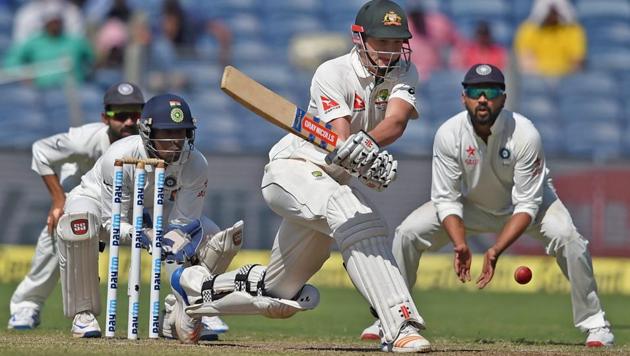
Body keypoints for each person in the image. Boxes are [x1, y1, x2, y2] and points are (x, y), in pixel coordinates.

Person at [168, 0, 431, 353]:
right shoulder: (332, 73)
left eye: (396, 42)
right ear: (360, 38)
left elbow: (396, 122)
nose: (389, 51)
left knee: (279, 296)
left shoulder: (404, 72)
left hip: (331, 180)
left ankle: (195, 292)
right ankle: (400, 325)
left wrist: (367, 153)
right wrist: (364, 155)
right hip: (292, 170)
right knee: (358, 218)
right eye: (381, 42)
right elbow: (339, 139)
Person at [385, 63, 613, 347]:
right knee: (407, 233)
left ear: (503, 98)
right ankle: (392, 318)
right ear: (463, 97)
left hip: (531, 206)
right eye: (475, 91)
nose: (483, 98)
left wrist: (494, 250)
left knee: (570, 239)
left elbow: (528, 205)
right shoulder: (448, 134)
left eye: (491, 91)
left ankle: (595, 324)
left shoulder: (525, 133)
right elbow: (446, 199)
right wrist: (459, 243)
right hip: (471, 206)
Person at [54, 93, 240, 339]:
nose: (176, 142)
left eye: (182, 132)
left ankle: (182, 313)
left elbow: (184, 225)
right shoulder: (119, 157)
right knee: (80, 223)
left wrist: (170, 236)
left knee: (214, 237)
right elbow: (111, 223)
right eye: (167, 133)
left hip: (152, 209)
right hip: (98, 205)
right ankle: (83, 314)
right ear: (148, 132)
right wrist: (141, 233)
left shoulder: (195, 163)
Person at [7, 81, 144, 330]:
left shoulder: (149, 144)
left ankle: (189, 310)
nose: (129, 122)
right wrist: (58, 199)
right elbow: (41, 150)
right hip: (82, 200)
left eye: (135, 114)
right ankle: (26, 306)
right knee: (59, 229)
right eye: (120, 115)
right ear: (105, 117)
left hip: (126, 207)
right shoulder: (86, 138)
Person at [4, 4, 94, 88]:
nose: (54, 25)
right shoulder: (33, 43)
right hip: (42, 91)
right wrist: (24, 74)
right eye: (51, 22)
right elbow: (11, 63)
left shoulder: (76, 42)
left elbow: (93, 60)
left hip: (74, 88)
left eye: (57, 21)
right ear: (45, 23)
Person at [514, 0, 586, 77]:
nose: (552, 14)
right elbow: (526, 64)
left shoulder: (573, 30)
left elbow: (577, 63)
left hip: (565, 79)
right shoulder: (528, 30)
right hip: (537, 80)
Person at [406, 0, 462, 81]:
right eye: (414, 15)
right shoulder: (400, 27)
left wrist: (453, 62)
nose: (417, 18)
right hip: (410, 77)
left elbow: (458, 45)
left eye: (419, 13)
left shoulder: (439, 23)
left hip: (437, 75)